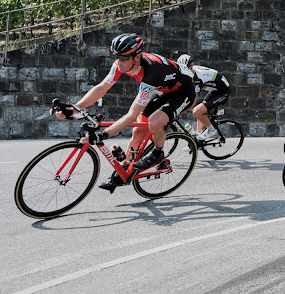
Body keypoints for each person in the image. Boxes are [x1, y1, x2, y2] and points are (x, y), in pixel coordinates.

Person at [54, 34, 196, 192]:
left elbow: (131, 115)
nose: (118, 62)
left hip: (184, 92)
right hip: (162, 89)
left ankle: (158, 152)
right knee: (137, 131)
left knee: (154, 121)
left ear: (136, 57)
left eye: (123, 58)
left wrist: (104, 134)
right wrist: (74, 108)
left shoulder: (151, 71)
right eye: (116, 57)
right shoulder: (121, 64)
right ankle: (124, 172)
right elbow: (102, 88)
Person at [177, 54, 231, 141]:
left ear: (191, 66)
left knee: (196, 111)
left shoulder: (198, 76)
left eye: (187, 68)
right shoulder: (190, 73)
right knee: (200, 112)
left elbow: (194, 99)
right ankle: (198, 140)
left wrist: (182, 110)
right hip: (214, 91)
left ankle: (212, 131)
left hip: (223, 92)